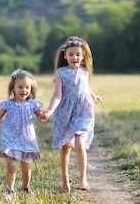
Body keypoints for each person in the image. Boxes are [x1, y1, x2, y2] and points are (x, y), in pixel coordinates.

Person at [41, 36, 103, 194]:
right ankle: (65, 180)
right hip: (65, 113)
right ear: (65, 55)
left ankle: (83, 178)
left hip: (83, 111)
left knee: (80, 144)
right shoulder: (61, 72)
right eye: (71, 54)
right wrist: (49, 111)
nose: (74, 57)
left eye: (77, 54)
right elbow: (57, 95)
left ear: (83, 56)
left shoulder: (84, 71)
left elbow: (85, 87)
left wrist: (93, 95)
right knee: (66, 147)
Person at [0, 69, 44, 200]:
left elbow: (40, 116)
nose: (24, 90)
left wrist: (43, 115)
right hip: (10, 138)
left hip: (27, 139)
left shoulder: (33, 104)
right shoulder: (8, 105)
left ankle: (26, 187)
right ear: (13, 88)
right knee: (11, 165)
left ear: (31, 89)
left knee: (26, 169)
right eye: (20, 87)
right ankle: (10, 190)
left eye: (27, 87)